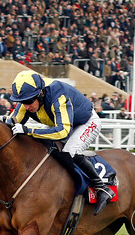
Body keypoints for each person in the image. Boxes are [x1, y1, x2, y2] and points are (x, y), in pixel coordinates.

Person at [9, 70, 114, 215]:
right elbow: (12, 122)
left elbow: (63, 132)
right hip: (59, 123)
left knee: (70, 151)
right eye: (22, 102)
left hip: (85, 122)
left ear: (40, 94)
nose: (26, 106)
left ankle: (101, 187)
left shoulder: (58, 95)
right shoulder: (28, 98)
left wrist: (28, 130)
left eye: (28, 101)